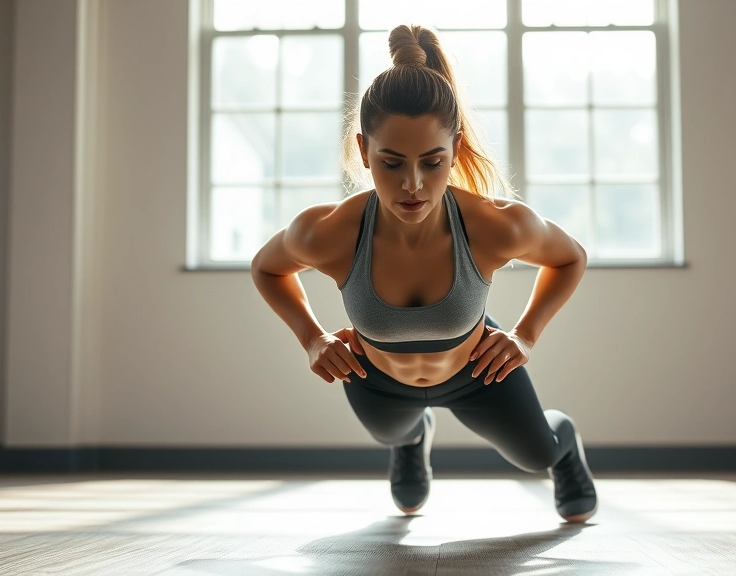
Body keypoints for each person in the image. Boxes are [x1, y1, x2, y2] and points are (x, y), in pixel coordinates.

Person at [251, 24, 597, 522]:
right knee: (392, 431)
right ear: (364, 149)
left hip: (479, 374)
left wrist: (525, 334)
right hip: (376, 380)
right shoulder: (326, 231)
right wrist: (311, 338)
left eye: (432, 162)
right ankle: (414, 439)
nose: (412, 184)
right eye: (391, 163)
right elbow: (267, 268)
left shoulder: (496, 225)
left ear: (454, 149)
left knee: (536, 455)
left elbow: (571, 257)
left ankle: (565, 450)